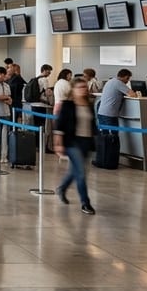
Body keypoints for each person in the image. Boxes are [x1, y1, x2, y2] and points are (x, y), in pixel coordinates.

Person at [54, 78, 98, 215]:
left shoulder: (89, 104)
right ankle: (85, 202)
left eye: (84, 87)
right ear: (73, 89)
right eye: (79, 87)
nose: (83, 89)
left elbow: (92, 124)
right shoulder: (67, 105)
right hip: (72, 142)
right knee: (81, 173)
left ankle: (62, 188)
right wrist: (58, 143)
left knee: (75, 171)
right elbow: (59, 125)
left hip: (86, 142)